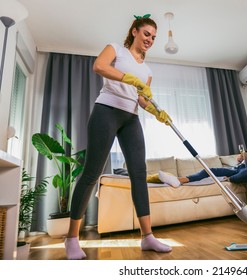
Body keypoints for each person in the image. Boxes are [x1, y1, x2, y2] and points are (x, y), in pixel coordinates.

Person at [64, 14, 173, 260]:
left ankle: (147, 237)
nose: (150, 40)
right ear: (134, 31)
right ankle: (71, 238)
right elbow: (99, 66)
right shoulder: (116, 49)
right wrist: (128, 78)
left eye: (154, 37)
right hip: (106, 111)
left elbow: (142, 99)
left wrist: (158, 112)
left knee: (139, 173)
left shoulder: (147, 69)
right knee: (92, 172)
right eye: (147, 34)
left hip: (130, 118)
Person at [159, 132, 247, 187]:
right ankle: (178, 180)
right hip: (237, 169)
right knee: (210, 170)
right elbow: (237, 165)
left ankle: (231, 179)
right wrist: (239, 160)